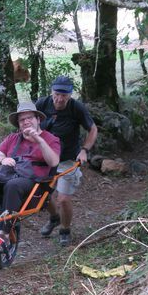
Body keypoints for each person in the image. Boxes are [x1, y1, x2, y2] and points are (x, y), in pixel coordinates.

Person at [34, 76, 98, 246]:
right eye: (57, 94)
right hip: (45, 159)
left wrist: (84, 150)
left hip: (67, 159)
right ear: (51, 92)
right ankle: (54, 218)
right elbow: (27, 125)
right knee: (42, 196)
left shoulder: (76, 108)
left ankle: (65, 229)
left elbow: (92, 129)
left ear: (70, 95)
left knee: (63, 198)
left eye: (65, 95)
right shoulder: (41, 104)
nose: (60, 99)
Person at [0, 101, 60, 250]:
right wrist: (3, 159)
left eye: (29, 118)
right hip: (10, 177)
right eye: (22, 120)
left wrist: (39, 140)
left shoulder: (50, 139)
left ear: (38, 120)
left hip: (35, 184)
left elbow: (53, 161)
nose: (26, 122)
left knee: (13, 186)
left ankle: (4, 234)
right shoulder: (12, 138)